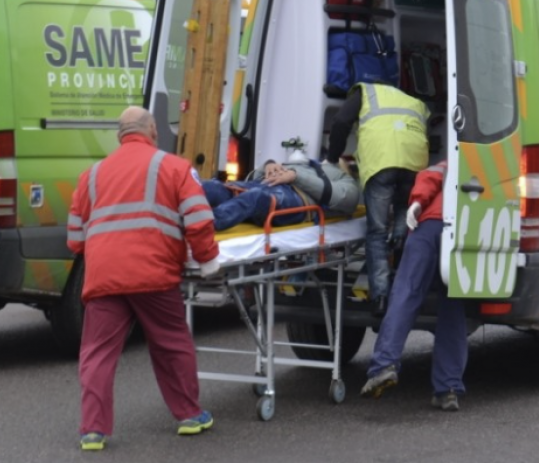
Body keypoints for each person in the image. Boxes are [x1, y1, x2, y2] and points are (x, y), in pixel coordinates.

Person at [66, 106, 222, 451]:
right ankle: (188, 416)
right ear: (152, 129)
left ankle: (93, 431)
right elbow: (198, 218)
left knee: (97, 353)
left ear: (120, 135)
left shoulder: (91, 176)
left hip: (104, 276)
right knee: (171, 343)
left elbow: (75, 239)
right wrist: (208, 260)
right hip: (154, 274)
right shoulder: (175, 167)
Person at [359, 161, 467, 411]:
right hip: (463, 231)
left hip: (429, 225)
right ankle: (447, 389)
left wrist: (417, 203)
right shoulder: (496, 162)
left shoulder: (454, 158)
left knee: (406, 293)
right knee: (453, 306)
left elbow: (430, 176)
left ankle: (384, 365)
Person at [326, 82, 429, 317]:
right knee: (405, 210)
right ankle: (400, 245)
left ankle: (381, 296)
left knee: (377, 231)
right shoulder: (410, 99)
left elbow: (341, 122)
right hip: (414, 161)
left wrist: (332, 158)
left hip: (382, 162)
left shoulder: (364, 92)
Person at [200, 154, 360, 231]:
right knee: (215, 187)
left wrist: (295, 176)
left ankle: (201, 226)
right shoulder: (312, 164)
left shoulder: (350, 185)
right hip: (265, 184)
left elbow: (330, 195)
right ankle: (177, 206)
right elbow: (254, 177)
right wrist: (268, 165)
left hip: (296, 199)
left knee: (255, 198)